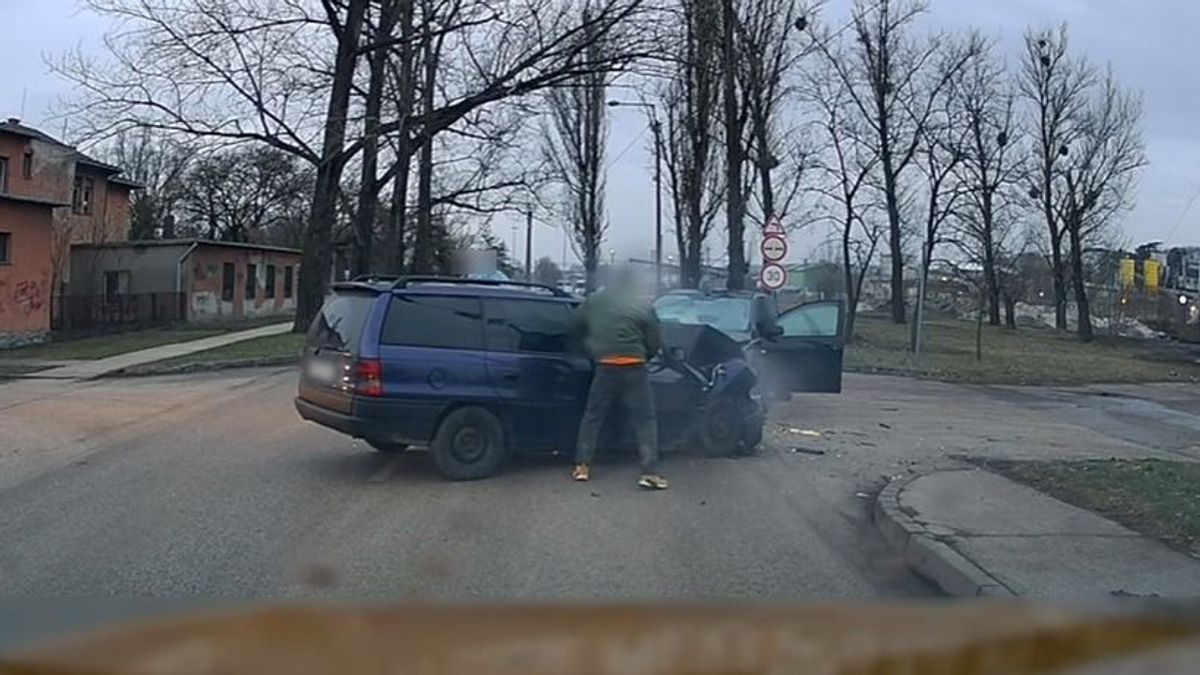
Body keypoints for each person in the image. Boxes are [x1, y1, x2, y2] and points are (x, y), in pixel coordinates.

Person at [570, 269, 668, 489]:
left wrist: (589, 348)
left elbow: (574, 325)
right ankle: (649, 472)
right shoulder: (641, 304)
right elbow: (654, 339)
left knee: (593, 417)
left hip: (605, 366)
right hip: (634, 366)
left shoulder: (594, 301)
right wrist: (643, 356)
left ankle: (582, 466)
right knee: (644, 420)